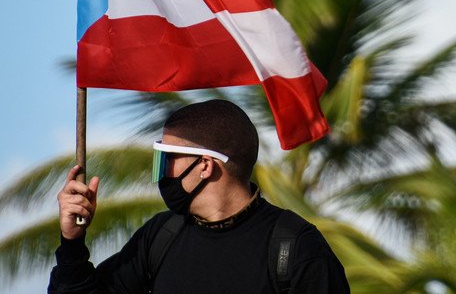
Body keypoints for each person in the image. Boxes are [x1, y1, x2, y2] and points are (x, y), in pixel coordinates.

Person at [48, 99, 350, 293]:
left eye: (166, 160)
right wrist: (72, 242)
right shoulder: (160, 236)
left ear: (205, 165)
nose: (160, 173)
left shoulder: (295, 247)